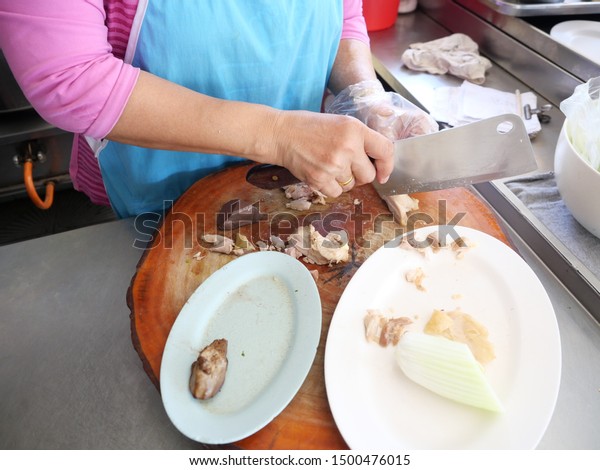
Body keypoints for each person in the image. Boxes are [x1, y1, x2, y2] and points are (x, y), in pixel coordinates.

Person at [0, 0, 437, 218]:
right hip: (154, 201)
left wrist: (362, 96)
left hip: (300, 188)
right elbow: (69, 78)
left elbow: (341, 14)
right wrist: (279, 134)